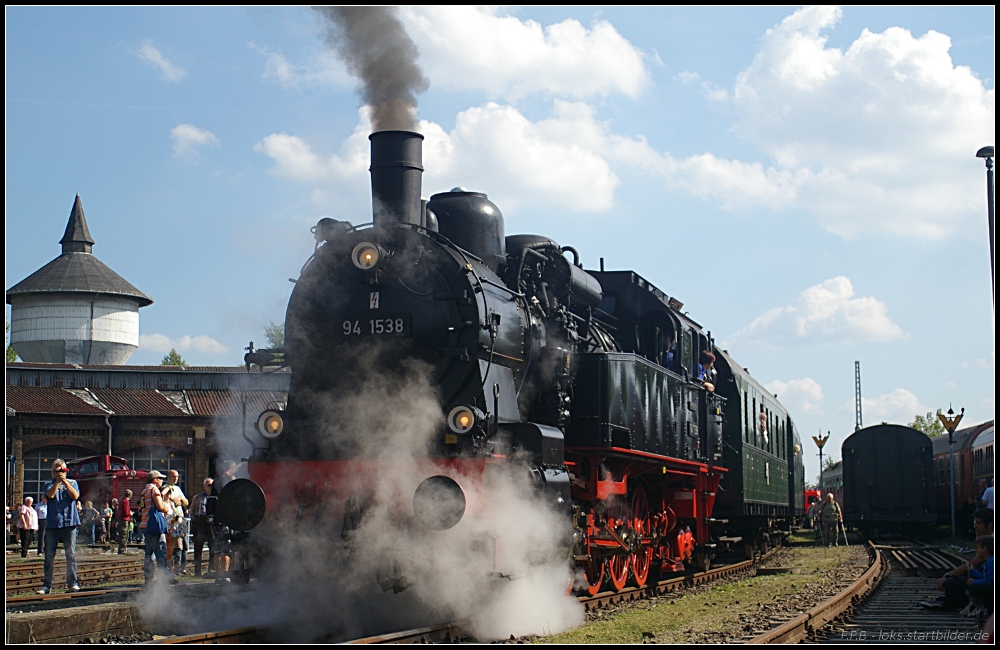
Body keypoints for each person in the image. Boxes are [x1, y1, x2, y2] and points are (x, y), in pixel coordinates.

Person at [922, 509, 994, 610]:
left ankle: (948, 603)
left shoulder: (991, 542)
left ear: (990, 524)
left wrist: (946, 576)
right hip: (986, 575)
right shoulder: (988, 538)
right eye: (974, 522)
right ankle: (947, 600)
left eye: (978, 523)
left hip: (988, 580)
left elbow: (971, 564)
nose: (975, 526)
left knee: (952, 582)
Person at [39, 459, 81, 594]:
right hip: (53, 523)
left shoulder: (73, 483)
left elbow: (75, 496)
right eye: (58, 471)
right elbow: (50, 496)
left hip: (70, 523)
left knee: (71, 554)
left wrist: (65, 482)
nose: (60, 473)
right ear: (53, 472)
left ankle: (72, 583)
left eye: (62, 470)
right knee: (49, 555)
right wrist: (57, 482)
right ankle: (47, 585)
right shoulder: (48, 484)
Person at [140, 470, 174, 587]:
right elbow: (160, 506)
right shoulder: (154, 490)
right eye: (160, 479)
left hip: (145, 524)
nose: (162, 481)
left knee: (148, 553)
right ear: (155, 480)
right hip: (154, 525)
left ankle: (149, 578)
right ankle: (165, 577)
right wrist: (168, 509)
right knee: (161, 551)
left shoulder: (144, 490)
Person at [161, 469, 189, 575]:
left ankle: (180, 568)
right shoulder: (165, 488)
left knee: (183, 545)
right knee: (173, 546)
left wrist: (180, 500)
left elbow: (186, 501)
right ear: (168, 477)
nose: (176, 478)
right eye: (173, 476)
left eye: (177, 476)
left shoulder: (178, 489)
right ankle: (172, 569)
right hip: (171, 520)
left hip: (180, 518)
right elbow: (163, 497)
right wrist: (173, 500)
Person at [959, 535, 993, 618]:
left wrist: (974, 582)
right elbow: (984, 577)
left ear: (984, 549)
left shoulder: (991, 562)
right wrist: (972, 570)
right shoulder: (989, 561)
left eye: (978, 547)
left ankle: (979, 607)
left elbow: (990, 581)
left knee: (976, 587)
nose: (976, 550)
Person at [190, 477, 218, 577]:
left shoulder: (215, 497)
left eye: (211, 485)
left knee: (213, 546)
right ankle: (197, 572)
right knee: (198, 546)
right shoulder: (197, 497)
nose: (210, 487)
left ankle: (211, 569)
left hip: (211, 522)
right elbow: (192, 510)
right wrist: (194, 520)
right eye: (208, 485)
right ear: (204, 486)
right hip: (200, 521)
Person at [117, 490, 133, 554]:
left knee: (121, 535)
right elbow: (126, 512)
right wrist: (130, 514)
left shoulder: (121, 501)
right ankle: (122, 549)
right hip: (124, 520)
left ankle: (120, 549)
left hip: (120, 520)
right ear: (130, 495)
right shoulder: (126, 502)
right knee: (124, 535)